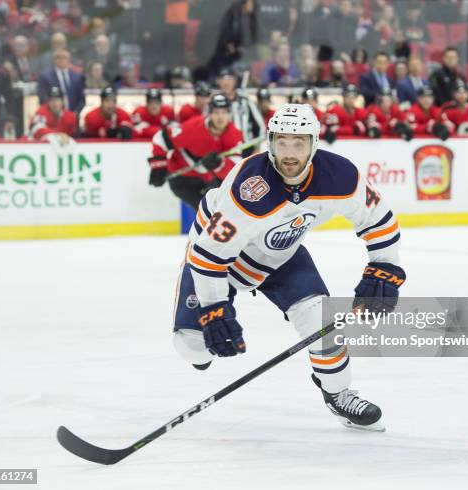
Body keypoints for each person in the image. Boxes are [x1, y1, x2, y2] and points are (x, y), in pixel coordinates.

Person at [170, 103, 405, 431]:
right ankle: (198, 348)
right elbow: (209, 255)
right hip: (224, 261)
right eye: (282, 141)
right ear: (270, 141)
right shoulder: (250, 189)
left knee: (322, 321)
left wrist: (385, 269)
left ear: (314, 143)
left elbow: (379, 219)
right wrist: (213, 310)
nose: (289, 153)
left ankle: (337, 393)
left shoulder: (339, 175)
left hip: (282, 255)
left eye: (299, 142)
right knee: (192, 346)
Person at [148, 93, 243, 211]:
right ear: (210, 113)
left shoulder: (233, 134)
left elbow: (236, 168)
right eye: (216, 112)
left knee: (220, 210)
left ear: (229, 114)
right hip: (182, 179)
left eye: (224, 113)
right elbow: (161, 138)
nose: (220, 117)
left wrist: (220, 165)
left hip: (209, 179)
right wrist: (159, 167)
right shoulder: (193, 128)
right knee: (207, 210)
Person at [216, 67, 265, 156]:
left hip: (246, 149)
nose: (226, 83)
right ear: (218, 81)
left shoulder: (246, 101)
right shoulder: (214, 102)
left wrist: (257, 148)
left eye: (229, 79)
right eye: (223, 79)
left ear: (235, 81)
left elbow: (260, 126)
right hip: (224, 151)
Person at [37, 49, 85, 114]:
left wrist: (75, 113)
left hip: (73, 116)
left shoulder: (77, 76)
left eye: (64, 57)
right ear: (54, 59)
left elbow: (81, 99)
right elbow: (42, 98)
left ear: (69, 59)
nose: (61, 60)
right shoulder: (45, 77)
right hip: (53, 117)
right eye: (58, 57)